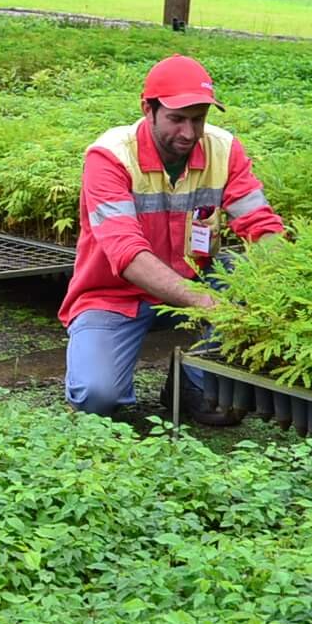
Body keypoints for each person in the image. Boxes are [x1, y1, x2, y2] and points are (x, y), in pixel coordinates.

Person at [60, 55, 287, 424]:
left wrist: (287, 280)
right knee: (97, 398)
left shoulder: (224, 149)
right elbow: (128, 255)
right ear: (147, 109)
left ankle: (193, 380)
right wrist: (206, 302)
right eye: (176, 119)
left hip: (197, 277)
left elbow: (261, 226)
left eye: (198, 119)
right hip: (116, 293)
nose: (189, 133)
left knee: (245, 275)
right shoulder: (111, 157)